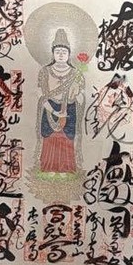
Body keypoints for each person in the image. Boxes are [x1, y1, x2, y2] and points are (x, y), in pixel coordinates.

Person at [36, 29, 85, 175]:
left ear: (69, 54)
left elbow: (81, 95)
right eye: (58, 51)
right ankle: (49, 168)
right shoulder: (45, 71)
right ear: (53, 53)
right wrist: (52, 110)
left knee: (66, 139)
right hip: (50, 108)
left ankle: (65, 168)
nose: (61, 54)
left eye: (64, 51)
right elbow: (40, 93)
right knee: (50, 138)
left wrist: (78, 94)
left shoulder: (76, 73)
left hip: (69, 109)